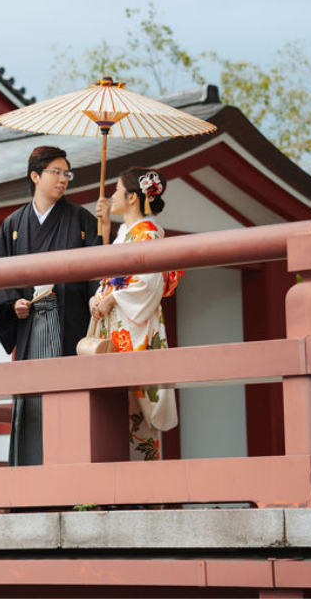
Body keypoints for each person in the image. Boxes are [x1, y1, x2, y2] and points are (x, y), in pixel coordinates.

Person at [0, 145, 101, 466]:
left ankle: (75, 476)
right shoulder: (12, 225)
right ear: (35, 176)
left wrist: (103, 231)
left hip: (70, 323)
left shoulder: (82, 220)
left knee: (72, 399)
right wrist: (13, 305)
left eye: (67, 173)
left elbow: (97, 268)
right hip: (30, 326)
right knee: (34, 401)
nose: (63, 179)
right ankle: (30, 482)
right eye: (56, 172)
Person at [90, 166, 181, 461]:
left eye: (116, 190)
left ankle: (147, 495)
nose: (111, 195)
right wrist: (98, 297)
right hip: (117, 325)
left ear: (131, 198)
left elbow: (149, 283)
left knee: (139, 411)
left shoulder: (149, 233)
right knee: (116, 409)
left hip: (134, 326)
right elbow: (112, 276)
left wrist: (113, 296)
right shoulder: (124, 234)